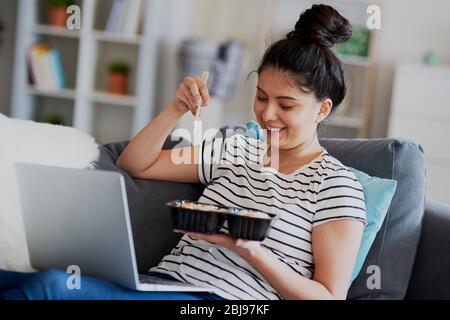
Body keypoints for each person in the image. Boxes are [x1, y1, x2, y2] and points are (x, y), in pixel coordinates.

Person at [1, 4, 366, 300]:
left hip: (228, 303)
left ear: (322, 109)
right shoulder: (236, 150)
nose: (268, 114)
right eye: (261, 97)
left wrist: (252, 250)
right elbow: (134, 164)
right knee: (13, 279)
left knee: (50, 288)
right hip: (165, 283)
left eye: (286, 105)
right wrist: (174, 109)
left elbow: (328, 297)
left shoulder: (337, 186)